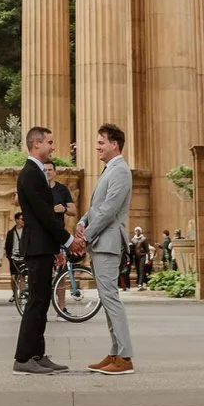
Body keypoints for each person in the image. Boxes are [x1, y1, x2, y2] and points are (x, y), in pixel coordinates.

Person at [71, 124, 134, 374]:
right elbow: (99, 207)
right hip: (101, 241)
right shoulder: (110, 170)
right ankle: (115, 352)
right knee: (107, 300)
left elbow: (109, 210)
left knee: (111, 299)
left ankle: (125, 357)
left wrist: (85, 236)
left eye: (101, 142)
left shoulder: (120, 171)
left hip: (107, 243)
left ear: (114, 144)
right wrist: (82, 221)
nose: (97, 146)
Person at [13, 126, 68, 374]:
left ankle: (37, 353)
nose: (52, 146)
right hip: (36, 247)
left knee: (42, 301)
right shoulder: (30, 174)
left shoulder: (36, 172)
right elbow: (44, 215)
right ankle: (23, 358)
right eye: (50, 142)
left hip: (43, 246)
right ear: (36, 144)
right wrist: (66, 240)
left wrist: (56, 247)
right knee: (36, 301)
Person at [5, 212, 28, 307]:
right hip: (14, 257)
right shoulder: (11, 232)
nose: (23, 221)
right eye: (22, 219)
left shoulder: (27, 231)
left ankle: (21, 294)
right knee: (13, 277)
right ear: (17, 220)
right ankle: (14, 293)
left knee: (22, 276)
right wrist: (9, 256)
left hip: (24, 257)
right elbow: (8, 245)